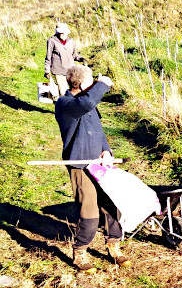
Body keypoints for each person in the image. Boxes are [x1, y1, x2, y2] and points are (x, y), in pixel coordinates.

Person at [54, 64, 130, 272]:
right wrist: (103, 84)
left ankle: (113, 246)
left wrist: (106, 150)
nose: (95, 84)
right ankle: (80, 251)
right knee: (89, 210)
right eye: (92, 81)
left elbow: (98, 130)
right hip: (80, 164)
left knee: (111, 205)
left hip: (100, 163)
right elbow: (86, 104)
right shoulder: (65, 103)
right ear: (82, 83)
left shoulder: (88, 104)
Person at [44, 22, 83, 101]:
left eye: (63, 32)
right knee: (63, 91)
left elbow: (74, 55)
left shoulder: (71, 41)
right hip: (58, 70)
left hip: (71, 71)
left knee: (73, 91)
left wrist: (81, 59)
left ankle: (62, 105)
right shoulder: (52, 41)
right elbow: (48, 57)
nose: (62, 34)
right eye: (60, 32)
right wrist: (47, 70)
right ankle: (65, 109)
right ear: (57, 32)